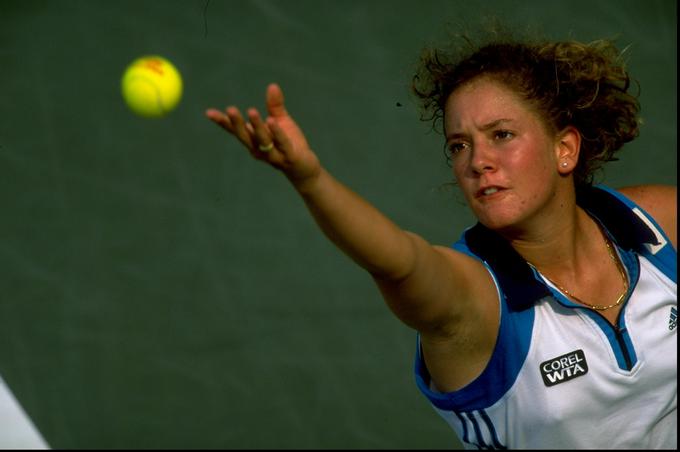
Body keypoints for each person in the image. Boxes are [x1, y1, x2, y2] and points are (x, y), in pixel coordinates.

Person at [205, 29, 677, 449]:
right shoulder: (473, 301)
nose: (478, 161)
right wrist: (309, 179)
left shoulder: (655, 226)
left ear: (565, 148)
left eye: (502, 134)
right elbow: (400, 262)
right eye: (459, 145)